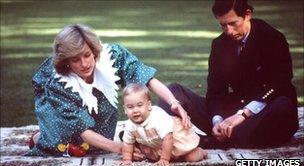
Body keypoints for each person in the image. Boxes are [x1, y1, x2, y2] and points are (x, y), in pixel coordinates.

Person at [26, 24, 191, 157]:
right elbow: (82, 129)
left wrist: (173, 102)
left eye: (87, 55)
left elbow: (146, 78)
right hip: (61, 106)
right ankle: (39, 136)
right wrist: (121, 148)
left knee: (96, 147)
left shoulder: (114, 56)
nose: (84, 64)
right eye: (76, 60)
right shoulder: (57, 83)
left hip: (97, 106)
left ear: (94, 51)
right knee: (58, 142)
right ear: (67, 62)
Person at [158, 0, 298, 148]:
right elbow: (215, 91)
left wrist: (243, 114)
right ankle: (218, 137)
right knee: (172, 92)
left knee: (282, 106)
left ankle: (206, 142)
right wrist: (217, 120)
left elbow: (280, 82)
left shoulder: (273, 38)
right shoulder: (219, 44)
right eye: (223, 25)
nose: (229, 31)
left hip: (264, 109)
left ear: (247, 15)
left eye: (233, 23)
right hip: (232, 110)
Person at [121, 83, 207, 166]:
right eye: (130, 107)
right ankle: (169, 156)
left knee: (192, 158)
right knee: (152, 157)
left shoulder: (157, 117)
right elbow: (127, 143)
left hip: (176, 141)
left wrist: (164, 159)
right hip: (159, 146)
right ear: (125, 109)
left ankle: (202, 152)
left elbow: (168, 138)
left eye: (139, 105)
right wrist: (127, 159)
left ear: (149, 105)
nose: (135, 110)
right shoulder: (129, 124)